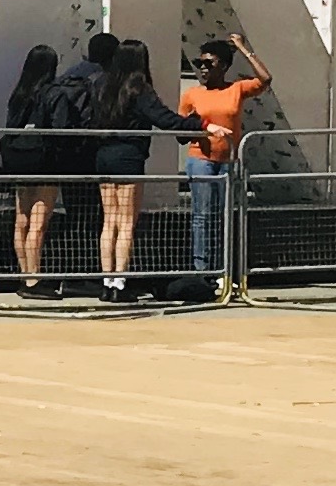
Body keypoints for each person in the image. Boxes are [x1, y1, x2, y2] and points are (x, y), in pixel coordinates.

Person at [83, 37, 196, 299]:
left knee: (109, 220)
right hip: (129, 156)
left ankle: (106, 281)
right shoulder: (138, 88)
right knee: (126, 222)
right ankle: (120, 283)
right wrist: (196, 125)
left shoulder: (101, 84)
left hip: (103, 153)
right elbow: (163, 118)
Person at [176, 33, 271, 276]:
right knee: (202, 215)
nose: (204, 69)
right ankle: (202, 268)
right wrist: (200, 126)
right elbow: (180, 130)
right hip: (201, 160)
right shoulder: (192, 94)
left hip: (228, 161)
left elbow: (265, 79)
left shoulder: (236, 89)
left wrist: (242, 47)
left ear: (225, 66)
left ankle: (224, 268)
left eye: (210, 63)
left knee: (224, 216)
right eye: (200, 64)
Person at [0, 42, 68, 290]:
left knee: (22, 219)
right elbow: (60, 128)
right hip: (45, 161)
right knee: (39, 220)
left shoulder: (19, 94)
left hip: (18, 159)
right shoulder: (54, 93)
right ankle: (34, 278)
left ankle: (24, 274)